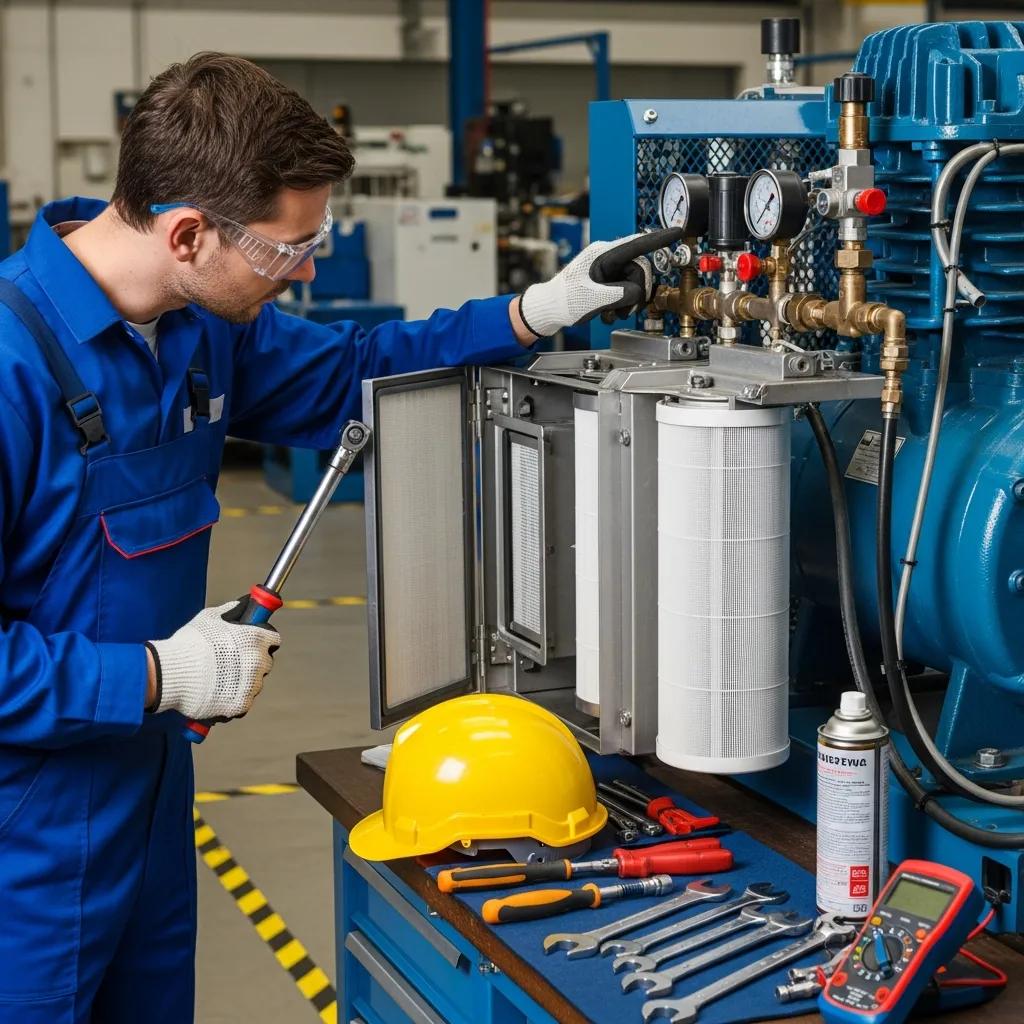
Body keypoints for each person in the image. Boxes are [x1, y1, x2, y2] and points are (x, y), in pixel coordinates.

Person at [0, 52, 671, 1023]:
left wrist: (535, 312)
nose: (310, 270)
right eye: (288, 250)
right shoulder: (13, 366)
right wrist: (156, 674)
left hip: (144, 790)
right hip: (24, 823)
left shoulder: (199, 323)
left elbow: (361, 368)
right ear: (188, 232)